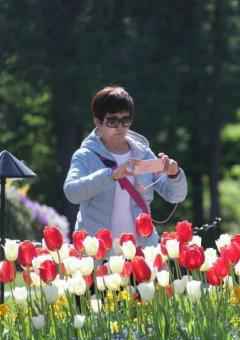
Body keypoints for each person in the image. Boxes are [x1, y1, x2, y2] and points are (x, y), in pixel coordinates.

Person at [64, 85, 187, 251]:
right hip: (99, 253)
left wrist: (174, 174)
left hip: (141, 251)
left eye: (125, 120)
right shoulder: (85, 155)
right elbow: (72, 192)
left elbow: (175, 196)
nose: (120, 127)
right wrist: (111, 175)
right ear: (98, 122)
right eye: (112, 121)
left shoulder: (143, 153)